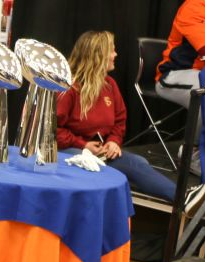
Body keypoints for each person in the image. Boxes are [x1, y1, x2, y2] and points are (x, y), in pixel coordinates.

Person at [58, 31, 178, 200]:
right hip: (68, 152)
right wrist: (83, 145)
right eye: (112, 51)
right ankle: (184, 198)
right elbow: (51, 130)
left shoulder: (109, 85)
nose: (116, 54)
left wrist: (113, 142)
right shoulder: (69, 88)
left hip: (98, 152)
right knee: (107, 166)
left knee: (137, 162)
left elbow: (119, 121)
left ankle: (183, 198)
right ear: (98, 55)